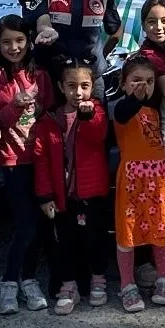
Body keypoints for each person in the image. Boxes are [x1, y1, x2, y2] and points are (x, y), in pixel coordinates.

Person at [31, 58, 114, 314]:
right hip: (62, 195)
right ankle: (69, 285)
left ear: (93, 87)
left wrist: (87, 117)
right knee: (63, 242)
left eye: (85, 86)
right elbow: (41, 158)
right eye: (71, 86)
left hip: (91, 193)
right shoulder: (49, 119)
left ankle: (98, 280)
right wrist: (45, 196)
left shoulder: (96, 111)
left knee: (95, 238)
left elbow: (98, 135)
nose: (78, 92)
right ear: (60, 86)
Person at [0, 14, 53, 316]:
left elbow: (48, 112)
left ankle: (28, 279)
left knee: (39, 223)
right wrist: (16, 104)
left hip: (39, 157)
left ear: (28, 41)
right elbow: (1, 117)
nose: (14, 47)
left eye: (19, 40)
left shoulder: (41, 74)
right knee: (24, 222)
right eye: (6, 42)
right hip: (12, 158)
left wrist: (37, 107)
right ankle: (9, 280)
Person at [111, 55, 165, 311]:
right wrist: (133, 98)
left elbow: (161, 144)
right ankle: (127, 284)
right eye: (136, 80)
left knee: (160, 230)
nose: (143, 86)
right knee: (127, 233)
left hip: (159, 179)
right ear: (123, 82)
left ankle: (164, 278)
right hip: (132, 180)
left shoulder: (155, 110)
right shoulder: (121, 108)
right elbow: (124, 111)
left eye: (149, 81)